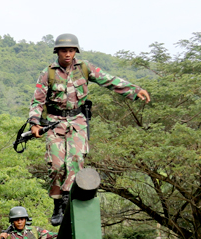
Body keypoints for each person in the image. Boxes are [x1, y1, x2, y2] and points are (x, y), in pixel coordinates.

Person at [29, 33, 150, 225]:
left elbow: (109, 80)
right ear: (57, 52)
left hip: (77, 120)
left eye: (70, 50)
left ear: (75, 51)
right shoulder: (48, 73)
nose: (67, 54)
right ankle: (58, 202)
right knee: (56, 165)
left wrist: (134, 90)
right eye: (63, 50)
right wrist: (35, 123)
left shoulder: (84, 68)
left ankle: (69, 199)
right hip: (54, 122)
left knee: (76, 160)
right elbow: (37, 100)